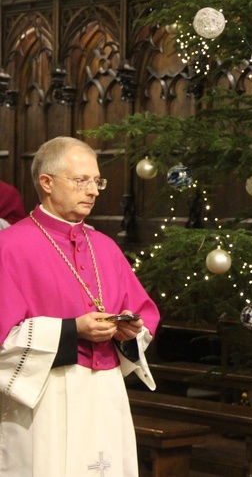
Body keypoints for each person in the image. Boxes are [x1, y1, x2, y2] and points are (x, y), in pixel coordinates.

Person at [0, 137, 160, 476]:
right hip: (44, 397)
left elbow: (142, 317)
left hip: (105, 392)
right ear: (46, 182)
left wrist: (127, 332)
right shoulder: (8, 247)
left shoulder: (105, 247)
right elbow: (4, 342)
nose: (93, 190)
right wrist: (73, 330)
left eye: (97, 181)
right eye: (81, 180)